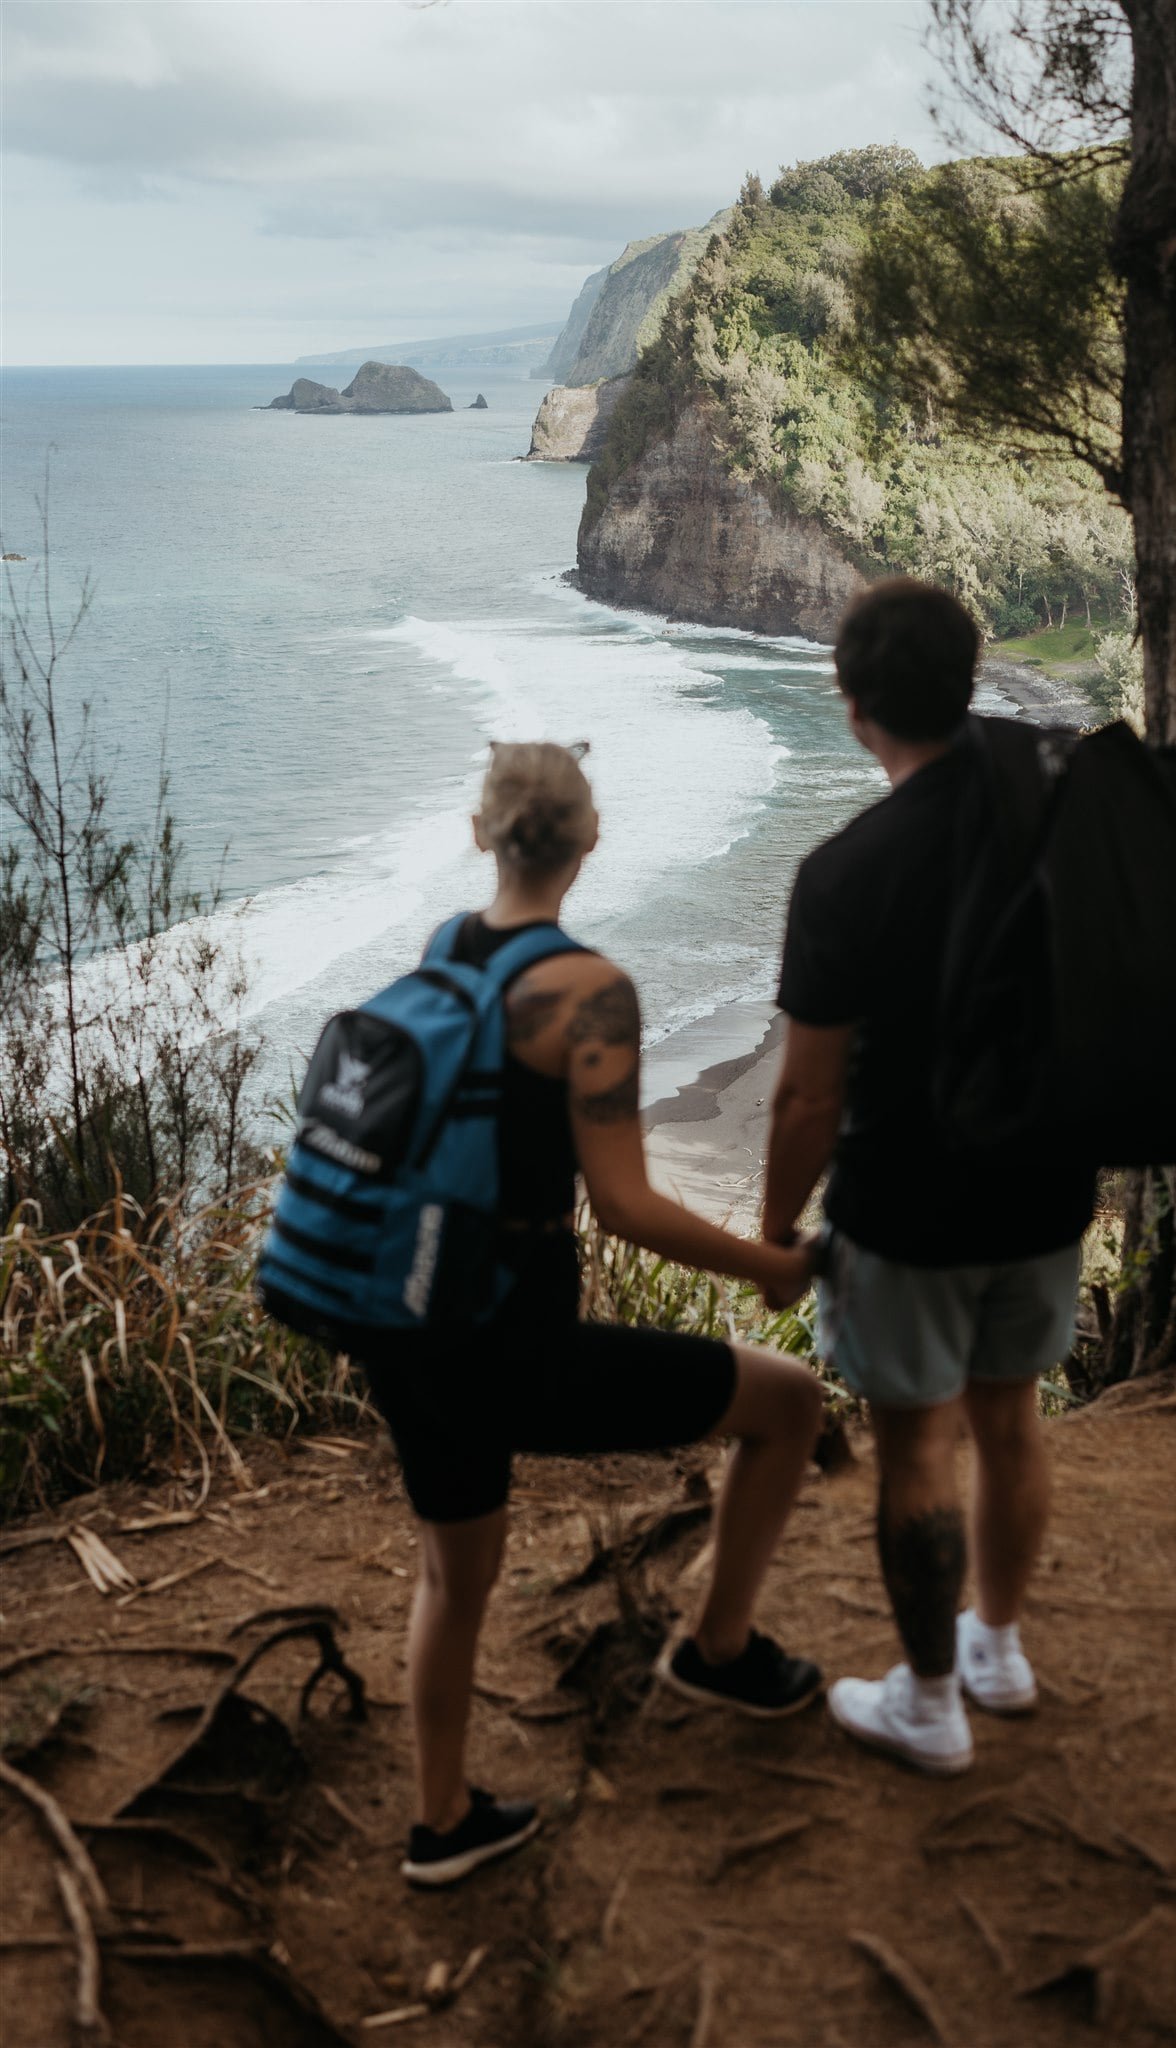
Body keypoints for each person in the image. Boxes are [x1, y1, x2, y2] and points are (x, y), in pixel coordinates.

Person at [358, 740, 824, 1889]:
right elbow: (621, 1204)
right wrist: (768, 1261)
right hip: (516, 1343)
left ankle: (440, 1822)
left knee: (450, 1577)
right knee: (791, 1399)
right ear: (594, 838)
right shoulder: (590, 991)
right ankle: (719, 1650)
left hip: (405, 1323)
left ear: (481, 833)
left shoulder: (440, 952)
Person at [761, 578, 1094, 1775]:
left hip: (905, 1207)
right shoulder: (1051, 819)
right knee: (1009, 1417)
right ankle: (997, 1646)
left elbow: (805, 1095)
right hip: (1049, 1177)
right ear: (970, 682)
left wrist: (771, 1231)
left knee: (917, 1446)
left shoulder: (846, 871)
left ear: (854, 708)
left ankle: (931, 1700)